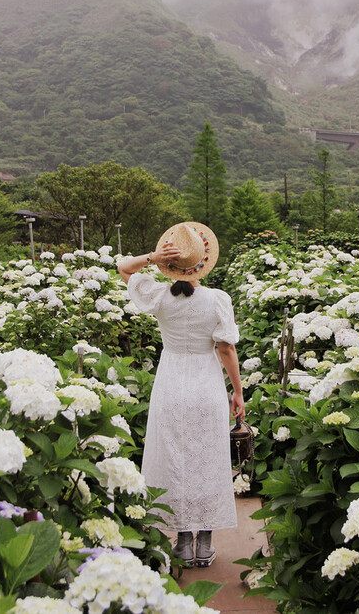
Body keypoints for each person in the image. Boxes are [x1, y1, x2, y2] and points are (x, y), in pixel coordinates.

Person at [117, 221, 245, 568]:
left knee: (174, 458)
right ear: (203, 263)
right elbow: (226, 349)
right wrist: (237, 392)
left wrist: (152, 257)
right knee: (207, 458)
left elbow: (122, 267)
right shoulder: (217, 300)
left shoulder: (157, 296)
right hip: (206, 385)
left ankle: (182, 541)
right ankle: (205, 543)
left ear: (169, 266)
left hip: (171, 384)